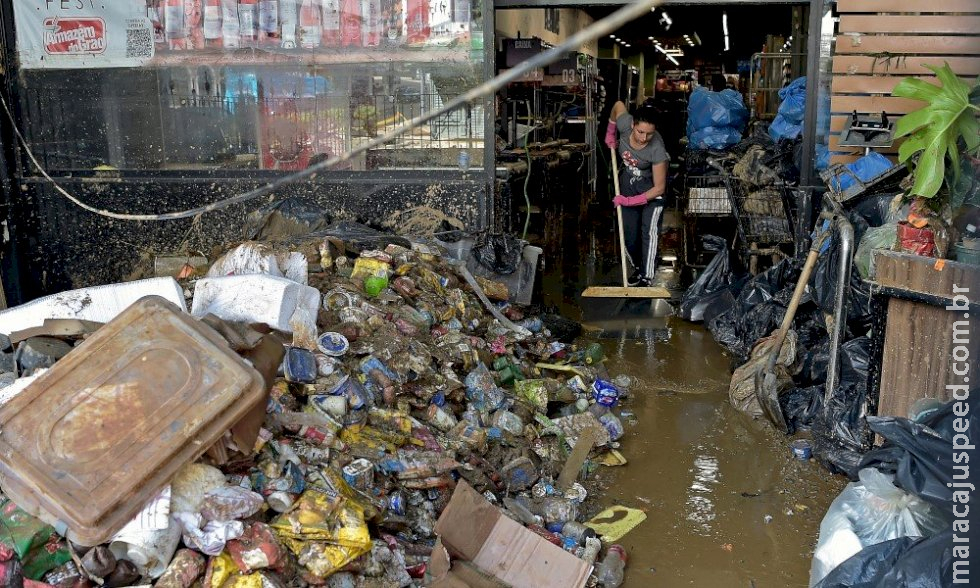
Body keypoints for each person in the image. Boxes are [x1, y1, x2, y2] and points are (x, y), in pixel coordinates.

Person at [604, 101, 670, 286]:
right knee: (629, 236)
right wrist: (610, 131)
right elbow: (617, 105)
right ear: (633, 124)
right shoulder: (625, 124)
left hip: (652, 196)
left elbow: (659, 188)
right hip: (628, 189)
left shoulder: (657, 149)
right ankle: (639, 268)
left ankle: (646, 277)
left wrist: (629, 201)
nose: (644, 138)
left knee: (648, 232)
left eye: (649, 134)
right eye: (641, 132)